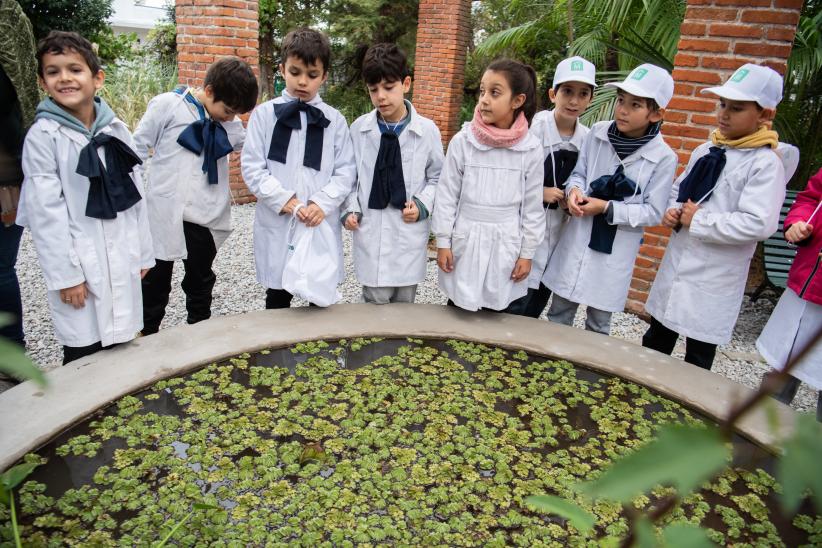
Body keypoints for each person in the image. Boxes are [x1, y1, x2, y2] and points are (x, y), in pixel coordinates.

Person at [17, 31, 154, 364]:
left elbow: (136, 196)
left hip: (121, 252)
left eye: (74, 69)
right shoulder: (43, 137)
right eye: (53, 71)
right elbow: (46, 214)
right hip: (81, 259)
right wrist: (67, 276)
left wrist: (143, 254)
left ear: (97, 79)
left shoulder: (116, 130)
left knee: (122, 344)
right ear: (42, 81)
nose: (64, 78)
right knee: (84, 353)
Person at [643, 63, 788, 370]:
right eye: (722, 104)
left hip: (716, 276)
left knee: (698, 354)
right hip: (680, 262)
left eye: (736, 108)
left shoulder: (764, 164)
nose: (724, 114)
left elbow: (759, 223)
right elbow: (679, 190)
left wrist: (700, 220)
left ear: (765, 115)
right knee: (656, 339)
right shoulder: (706, 150)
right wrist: (672, 210)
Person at [544, 63, 677, 334]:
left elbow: (653, 211)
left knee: (599, 322)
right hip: (578, 235)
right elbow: (579, 173)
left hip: (614, 249)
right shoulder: (598, 133)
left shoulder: (663, 157)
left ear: (656, 113)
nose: (623, 109)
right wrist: (574, 191)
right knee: (559, 312)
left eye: (635, 105)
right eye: (620, 101)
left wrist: (606, 207)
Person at [133, 57, 258, 335]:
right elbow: (137, 148)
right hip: (165, 210)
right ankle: (145, 333)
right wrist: (133, 195)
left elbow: (251, 146)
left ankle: (199, 331)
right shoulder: (168, 105)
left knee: (200, 277)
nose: (229, 117)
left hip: (203, 214)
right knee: (155, 277)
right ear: (210, 91)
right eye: (227, 110)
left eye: (234, 113)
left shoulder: (230, 123)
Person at [241, 28, 356, 309]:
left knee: (319, 297)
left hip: (319, 221)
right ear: (282, 70)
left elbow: (345, 171)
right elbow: (253, 167)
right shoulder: (265, 115)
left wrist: (322, 203)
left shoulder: (335, 121)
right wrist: (286, 200)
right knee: (278, 298)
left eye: (312, 75)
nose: (303, 81)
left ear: (324, 76)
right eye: (295, 72)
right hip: (280, 220)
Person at [433, 59, 545, 312]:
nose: (484, 99)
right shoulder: (464, 141)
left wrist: (527, 253)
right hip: (467, 237)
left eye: (495, 93)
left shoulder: (530, 149)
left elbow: (531, 207)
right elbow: (447, 195)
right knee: (459, 309)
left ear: (517, 100)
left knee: (499, 310)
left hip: (506, 241)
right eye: (482, 91)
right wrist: (443, 242)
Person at [341, 43, 443, 304]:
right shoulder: (358, 130)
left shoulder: (427, 131)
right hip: (371, 231)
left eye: (388, 87)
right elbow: (348, 178)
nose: (381, 96)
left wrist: (422, 205)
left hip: (407, 233)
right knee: (374, 304)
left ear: (406, 83)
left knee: (405, 307)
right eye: (373, 90)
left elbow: (437, 177)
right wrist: (350, 210)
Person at [507, 56, 596, 318]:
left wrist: (574, 198)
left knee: (537, 300)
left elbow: (587, 179)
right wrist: (539, 193)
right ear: (552, 93)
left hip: (559, 231)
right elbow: (511, 174)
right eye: (567, 91)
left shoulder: (588, 139)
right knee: (512, 300)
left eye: (583, 94)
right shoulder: (532, 127)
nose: (574, 101)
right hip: (521, 228)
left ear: (591, 98)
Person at [757, 167, 822, 421]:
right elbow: (810, 199)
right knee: (785, 361)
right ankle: (756, 435)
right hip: (808, 281)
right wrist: (798, 222)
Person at [0, 0, 38, 353]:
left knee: (0, 267)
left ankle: (12, 351)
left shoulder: (8, 16)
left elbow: (16, 95)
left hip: (5, 175)